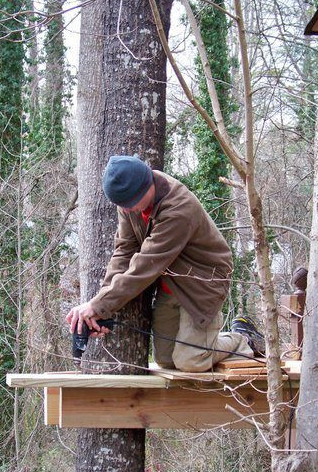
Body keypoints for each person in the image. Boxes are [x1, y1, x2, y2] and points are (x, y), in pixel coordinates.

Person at [66, 155, 264, 372]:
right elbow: (124, 250)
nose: (129, 210)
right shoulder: (129, 201)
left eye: (131, 204)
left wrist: (97, 305)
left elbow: (147, 263)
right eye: (123, 206)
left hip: (202, 282)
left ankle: (243, 338)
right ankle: (213, 343)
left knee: (191, 361)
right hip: (171, 282)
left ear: (147, 185)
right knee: (166, 360)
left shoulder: (179, 208)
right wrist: (101, 305)